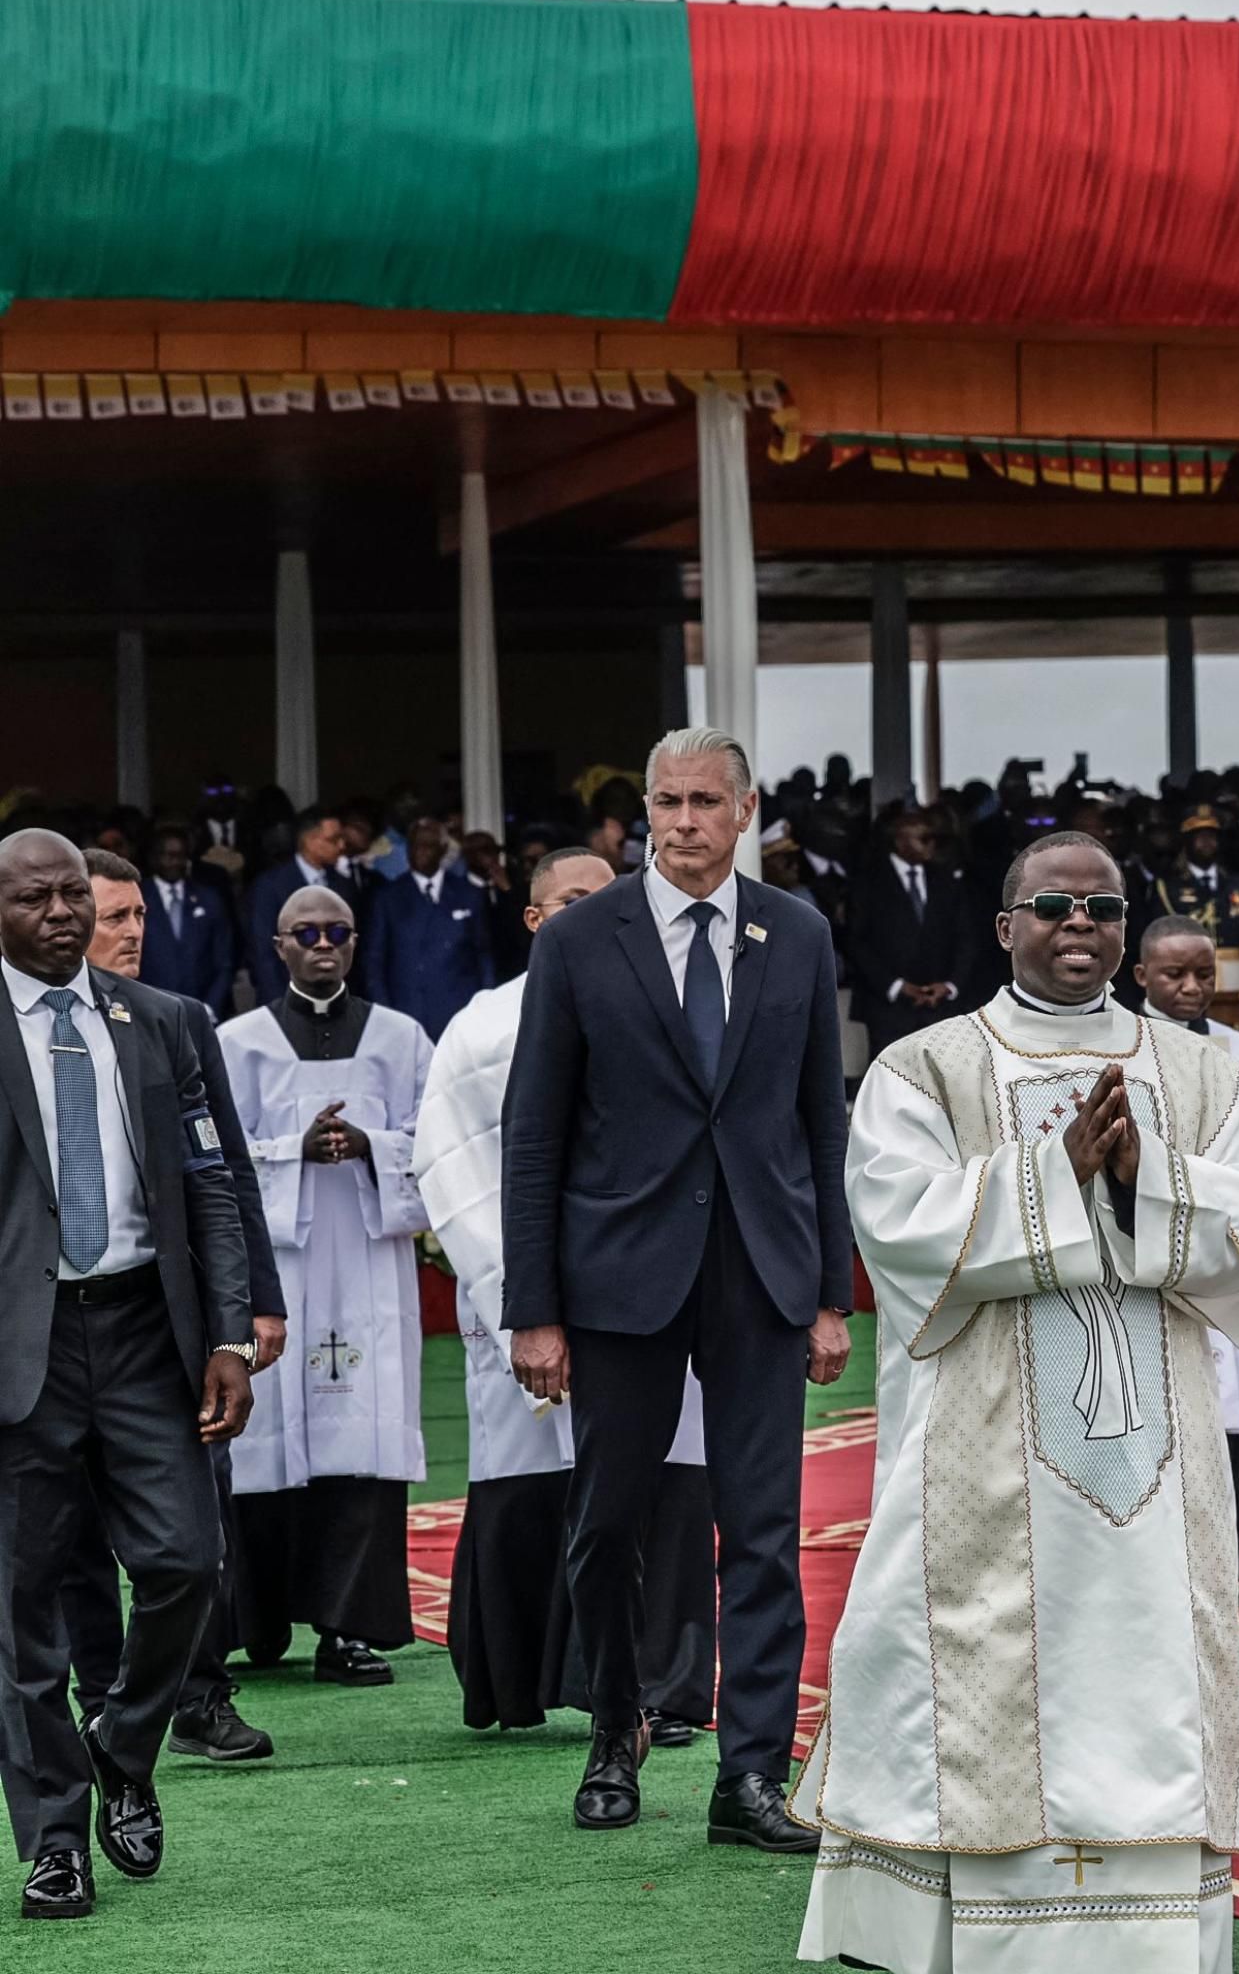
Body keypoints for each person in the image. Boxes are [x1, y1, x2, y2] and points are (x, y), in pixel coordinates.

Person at [795, 830, 1239, 1974]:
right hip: (981, 1450)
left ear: (1128, 927)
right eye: (1054, 905)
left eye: (1103, 907)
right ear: (1004, 926)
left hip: (1156, 1454)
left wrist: (1143, 1179)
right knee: (954, 1644)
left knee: (1155, 1654)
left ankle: (1154, 1937)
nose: (1079, 925)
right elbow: (893, 1217)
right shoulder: (924, 1066)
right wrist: (1057, 1172)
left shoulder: (1201, 1069)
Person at [498, 726, 854, 1851]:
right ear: (640, 810)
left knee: (764, 1532)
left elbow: (820, 1121)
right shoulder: (581, 939)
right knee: (606, 1524)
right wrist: (533, 1307)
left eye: (706, 800)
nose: (685, 821)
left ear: (747, 809)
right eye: (667, 800)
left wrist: (832, 1288)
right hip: (616, 1280)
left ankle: (748, 1776)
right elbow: (534, 1132)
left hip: (761, 1272)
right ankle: (615, 1728)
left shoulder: (795, 932)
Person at [0, 829, 255, 1920]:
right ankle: (57, 1840)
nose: (63, 912)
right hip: (24, 1346)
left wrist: (233, 1333)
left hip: (148, 1331)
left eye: (75, 894)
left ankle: (125, 1740)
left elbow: (210, 1182)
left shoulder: (158, 1021)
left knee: (185, 1564)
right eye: (35, 897)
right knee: (21, 1615)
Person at [412, 847, 716, 1742]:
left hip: (659, 1291)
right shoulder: (485, 1025)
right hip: (534, 1288)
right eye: (575, 901)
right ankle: (533, 1677)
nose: (601, 914)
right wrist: (521, 1293)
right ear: (538, 920)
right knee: (537, 1479)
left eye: (611, 898)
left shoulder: (676, 1001)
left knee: (668, 1482)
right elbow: (455, 1166)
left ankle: (662, 1684)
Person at [49, 854, 282, 1767]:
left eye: (140, 913)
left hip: (171, 1325)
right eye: (116, 915)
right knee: (70, 1543)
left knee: (195, 1527)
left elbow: (226, 1173)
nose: (133, 931)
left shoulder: (179, 1020)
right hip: (59, 1327)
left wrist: (256, 1301)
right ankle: (105, 1701)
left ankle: (198, 1692)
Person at [219, 884, 435, 1686]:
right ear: (278, 946)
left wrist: (371, 1144)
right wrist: (293, 1152)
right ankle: (258, 1620)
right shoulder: (237, 1041)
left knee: (361, 1437)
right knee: (264, 1441)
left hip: (368, 1266)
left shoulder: (402, 1038)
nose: (321, 944)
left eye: (335, 931)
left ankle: (349, 1626)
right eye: (304, 932)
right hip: (278, 1266)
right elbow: (216, 1154)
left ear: (353, 941)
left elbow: (434, 1142)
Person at [1133, 913, 1239, 1578]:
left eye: (1204, 973)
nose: (1190, 986)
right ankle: (1154, 1571)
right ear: (1141, 974)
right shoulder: (1117, 1050)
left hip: (1228, 1254)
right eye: (1174, 974)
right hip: (1147, 1258)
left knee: (1229, 1418)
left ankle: (1224, 1568)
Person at [847, 805, 979, 1057]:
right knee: (892, 1084)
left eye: (936, 839)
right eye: (925, 839)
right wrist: (896, 986)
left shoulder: (946, 880)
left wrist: (950, 984)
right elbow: (856, 942)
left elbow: (965, 938)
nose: (932, 845)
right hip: (887, 1007)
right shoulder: (867, 882)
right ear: (900, 842)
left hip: (939, 1006)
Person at [367, 814, 495, 1038]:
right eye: (414, 845)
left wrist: (484, 1006)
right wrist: (384, 1012)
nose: (420, 851)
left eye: (428, 845)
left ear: (443, 849)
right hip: (405, 1015)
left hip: (459, 1015)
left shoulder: (469, 894)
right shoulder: (387, 897)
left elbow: (484, 955)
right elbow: (374, 961)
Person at [242, 805, 369, 1003]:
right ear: (310, 841)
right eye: (333, 840)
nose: (342, 846)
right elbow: (263, 952)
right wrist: (281, 1006)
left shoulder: (344, 885)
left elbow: (352, 949)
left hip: (337, 1004)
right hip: (283, 1000)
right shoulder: (270, 886)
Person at [139, 827, 237, 1013]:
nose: (175, 862)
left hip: (201, 1012)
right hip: (149, 1012)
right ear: (154, 858)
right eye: (168, 855)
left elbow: (225, 961)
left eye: (181, 856)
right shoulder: (137, 898)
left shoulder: (209, 899)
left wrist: (210, 1007)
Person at [1154, 806, 1239, 949]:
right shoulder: (1167, 887)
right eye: (1199, 836)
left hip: (1234, 966)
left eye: (1212, 835)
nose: (1207, 841)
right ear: (1186, 841)